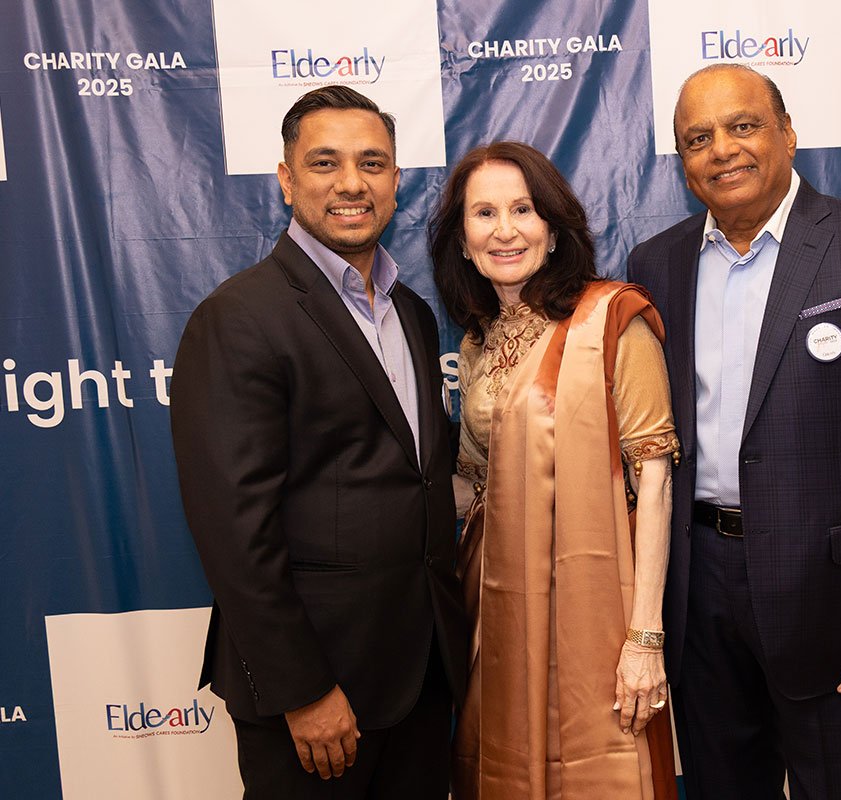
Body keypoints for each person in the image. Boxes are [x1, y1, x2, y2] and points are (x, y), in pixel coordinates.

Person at [627, 65, 841, 799]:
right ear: (683, 164)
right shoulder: (656, 264)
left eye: (742, 126)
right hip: (699, 598)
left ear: (787, 134)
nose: (722, 149)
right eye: (698, 138)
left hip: (840, 610)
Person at [169, 85, 467, 799]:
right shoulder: (239, 317)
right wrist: (302, 689)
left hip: (422, 671)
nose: (351, 183)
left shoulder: (412, 314)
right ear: (286, 179)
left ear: (396, 180)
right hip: (318, 688)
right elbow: (235, 531)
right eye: (325, 162)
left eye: (372, 163)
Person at [431, 141, 680, 799]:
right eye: (484, 213)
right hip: (498, 604)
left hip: (594, 608)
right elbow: (473, 485)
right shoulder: (477, 341)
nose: (505, 230)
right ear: (462, 242)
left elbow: (654, 481)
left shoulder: (612, 320)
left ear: (554, 226)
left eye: (523, 209)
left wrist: (644, 638)